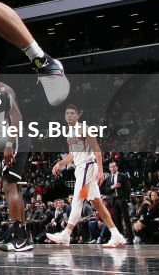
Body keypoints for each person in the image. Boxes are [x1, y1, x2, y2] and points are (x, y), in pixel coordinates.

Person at [46, 105, 126, 248]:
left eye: (72, 113)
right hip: (80, 168)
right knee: (97, 203)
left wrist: (101, 171)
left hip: (88, 167)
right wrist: (59, 164)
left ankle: (66, 234)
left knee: (77, 199)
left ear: (78, 116)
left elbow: (97, 150)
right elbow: (71, 156)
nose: (69, 115)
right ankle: (117, 235)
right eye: (67, 113)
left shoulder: (84, 128)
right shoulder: (69, 134)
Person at [0, 60, 33, 253]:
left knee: (9, 186)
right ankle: (25, 238)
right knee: (15, 189)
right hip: (10, 141)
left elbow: (17, 117)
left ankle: (18, 237)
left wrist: (10, 144)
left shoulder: (4, 91)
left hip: (16, 139)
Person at [101, 160, 130, 239]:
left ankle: (130, 237)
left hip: (122, 199)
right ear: (109, 168)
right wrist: (112, 187)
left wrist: (126, 199)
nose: (112, 168)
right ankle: (120, 237)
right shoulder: (109, 178)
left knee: (126, 219)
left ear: (117, 167)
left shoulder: (122, 176)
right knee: (117, 220)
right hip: (113, 200)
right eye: (111, 167)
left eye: (114, 166)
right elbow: (104, 190)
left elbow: (128, 189)